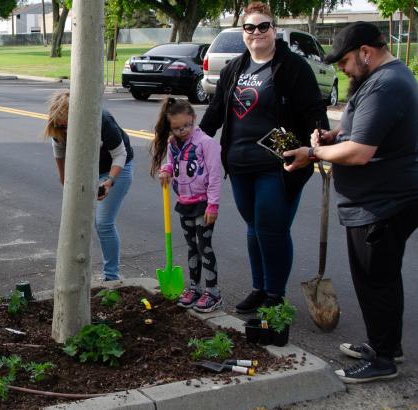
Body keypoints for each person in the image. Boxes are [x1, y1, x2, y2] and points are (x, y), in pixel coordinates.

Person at [284, 22, 418, 383]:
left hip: (381, 203)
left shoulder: (385, 85)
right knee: (383, 277)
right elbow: (361, 134)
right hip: (384, 198)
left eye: (343, 61)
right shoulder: (385, 79)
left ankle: (383, 361)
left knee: (374, 279)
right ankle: (386, 344)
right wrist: (332, 136)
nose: (340, 69)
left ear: (365, 52)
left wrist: (314, 151)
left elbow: (359, 152)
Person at [199, 2, 328, 313]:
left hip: (278, 162)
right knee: (254, 227)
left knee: (272, 227)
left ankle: (275, 294)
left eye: (263, 26)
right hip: (239, 163)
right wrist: (191, 142)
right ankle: (259, 288)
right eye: (250, 27)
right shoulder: (234, 68)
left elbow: (314, 112)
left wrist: (317, 141)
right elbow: (215, 114)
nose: (256, 32)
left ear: (274, 30)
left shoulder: (292, 67)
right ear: (243, 32)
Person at [44, 90, 134, 281]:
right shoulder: (57, 126)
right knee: (80, 220)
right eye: (61, 124)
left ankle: (112, 277)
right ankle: (76, 272)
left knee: (103, 223)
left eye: (67, 123)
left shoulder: (102, 120)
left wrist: (109, 182)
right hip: (88, 169)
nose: (63, 127)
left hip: (117, 167)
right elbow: (59, 153)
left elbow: (120, 154)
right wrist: (65, 181)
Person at [150, 97, 223, 312]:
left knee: (204, 246)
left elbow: (215, 177)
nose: (183, 131)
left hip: (203, 203)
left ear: (194, 118)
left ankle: (213, 292)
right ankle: (195, 288)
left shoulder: (206, 144)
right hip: (185, 202)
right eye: (177, 128)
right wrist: (166, 170)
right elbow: (172, 164)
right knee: (192, 247)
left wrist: (213, 205)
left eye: (187, 126)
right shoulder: (174, 144)